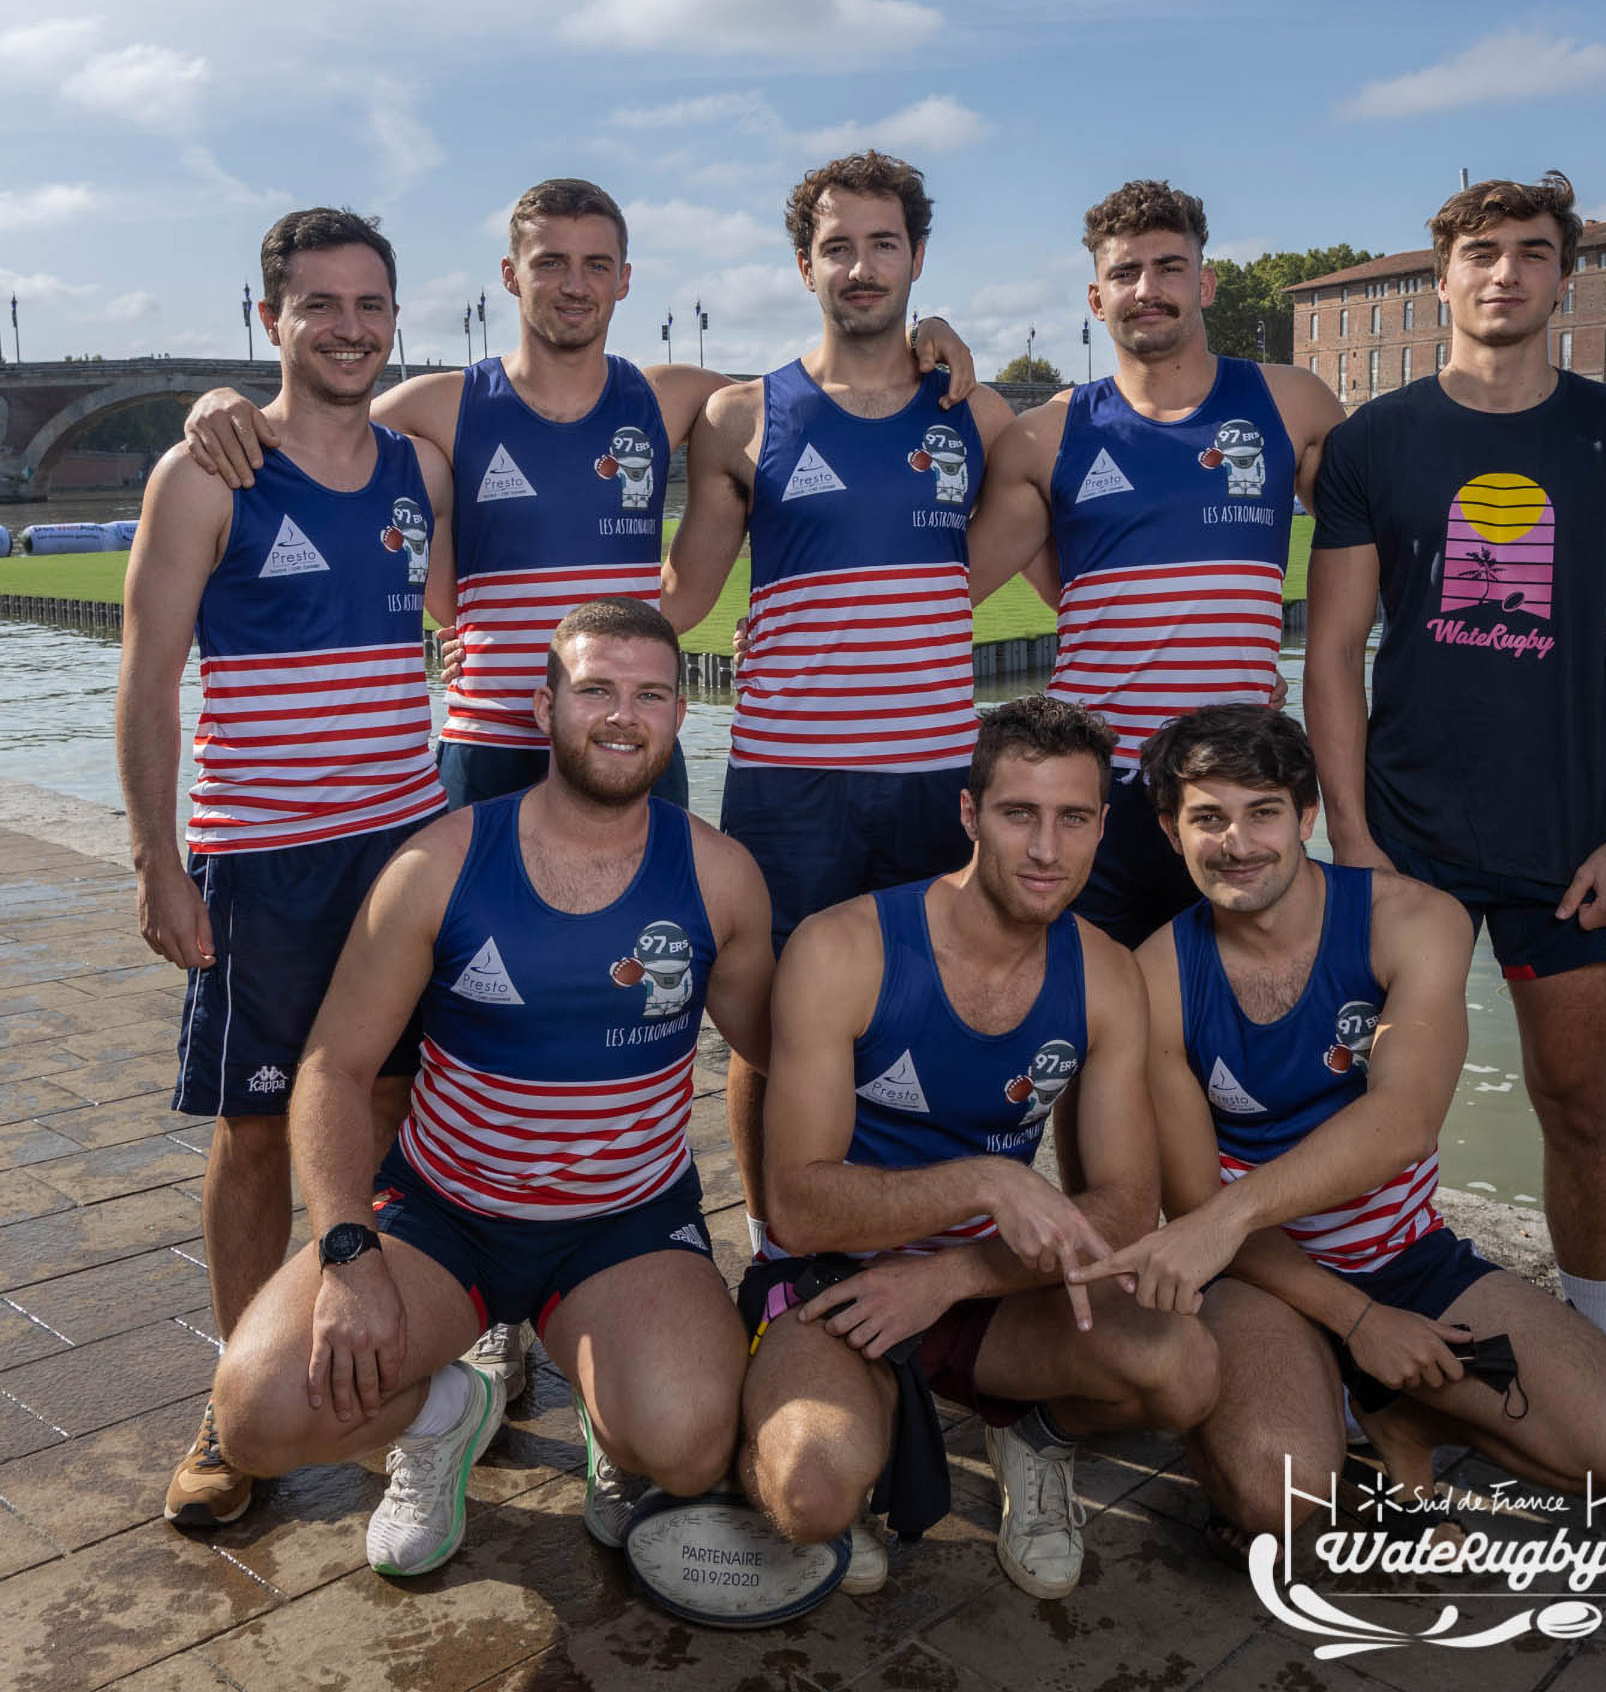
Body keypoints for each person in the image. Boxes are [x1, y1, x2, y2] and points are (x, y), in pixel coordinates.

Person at [208, 598, 775, 1578]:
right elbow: (334, 1069)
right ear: (542, 703)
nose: (621, 715)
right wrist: (346, 1251)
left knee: (686, 1443)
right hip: (447, 1213)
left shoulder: (721, 876)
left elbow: (781, 1049)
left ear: (682, 713)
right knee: (255, 1417)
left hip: (623, 1221)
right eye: (594, 687)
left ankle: (614, 1420)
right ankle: (442, 1416)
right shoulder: (442, 862)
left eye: (649, 693)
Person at [1071, 706, 1606, 1554]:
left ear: (1308, 817)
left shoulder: (1413, 920)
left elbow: (1402, 1121)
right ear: (1170, 830)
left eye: (1263, 812)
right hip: (1260, 1278)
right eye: (1208, 818)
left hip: (1405, 1256)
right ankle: (1300, 1390)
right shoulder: (1156, 977)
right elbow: (1192, 1198)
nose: (1239, 843)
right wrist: (1354, 1319)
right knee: (1279, 1504)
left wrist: (1239, 1231)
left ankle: (1397, 1410)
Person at [181, 177, 973, 815]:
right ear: (508, 276)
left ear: (625, 281)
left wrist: (923, 331)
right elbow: (307, 428)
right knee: (466, 984)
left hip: (628, 742)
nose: (574, 284)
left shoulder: (674, 398)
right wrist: (221, 401)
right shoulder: (442, 405)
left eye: (597, 264)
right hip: (490, 744)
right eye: (550, 262)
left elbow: (831, 397)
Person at [1303, 172, 1606, 1341]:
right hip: (1407, 833)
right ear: (1444, 277)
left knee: (1578, 1104)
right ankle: (1364, 1336)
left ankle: (1601, 1343)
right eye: (1482, 251)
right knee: (1369, 1103)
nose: (1506, 271)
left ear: (1563, 275)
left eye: (1533, 251)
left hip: (1571, 833)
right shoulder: (1380, 438)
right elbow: (1331, 653)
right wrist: (1357, 842)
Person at [118, 208, 453, 1530]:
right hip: (263, 860)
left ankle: (374, 1356)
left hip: (406, 850)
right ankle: (231, 1395)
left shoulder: (417, 469)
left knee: (385, 1111)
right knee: (256, 1132)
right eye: (322, 305)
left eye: (372, 304)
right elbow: (147, 683)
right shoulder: (206, 475)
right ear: (271, 321)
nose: (351, 327)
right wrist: (159, 863)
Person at [736, 695, 1219, 1600]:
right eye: (1018, 814)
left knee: (1184, 1369)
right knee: (811, 1498)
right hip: (837, 1283)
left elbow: (1121, 1206)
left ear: (1101, 826)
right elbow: (797, 1203)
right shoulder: (845, 948)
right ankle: (831, 1422)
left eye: (1073, 819)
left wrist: (952, 1275)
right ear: (970, 815)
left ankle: (1032, 1433)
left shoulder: (1107, 973)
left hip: (981, 1283)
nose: (1046, 849)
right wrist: (989, 1179)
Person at [662, 151, 1018, 1250]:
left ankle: (926, 1237)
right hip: (792, 781)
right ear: (803, 263)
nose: (860, 268)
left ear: (917, 258)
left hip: (931, 778)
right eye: (837, 247)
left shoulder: (974, 411)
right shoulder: (742, 416)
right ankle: (778, 1254)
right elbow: (681, 595)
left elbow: (1047, 496)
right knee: (773, 1035)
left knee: (933, 1015)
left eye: (883, 244)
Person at [968, 180, 1343, 948]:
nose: (1149, 289)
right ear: (1096, 299)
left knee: (1230, 1022)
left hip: (1232, 785)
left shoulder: (1292, 403)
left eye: (1170, 268)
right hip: (1097, 784)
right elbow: (948, 591)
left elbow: (1387, 550)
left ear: (1204, 282)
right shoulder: (1047, 435)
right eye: (1126, 273)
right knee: (1084, 1024)